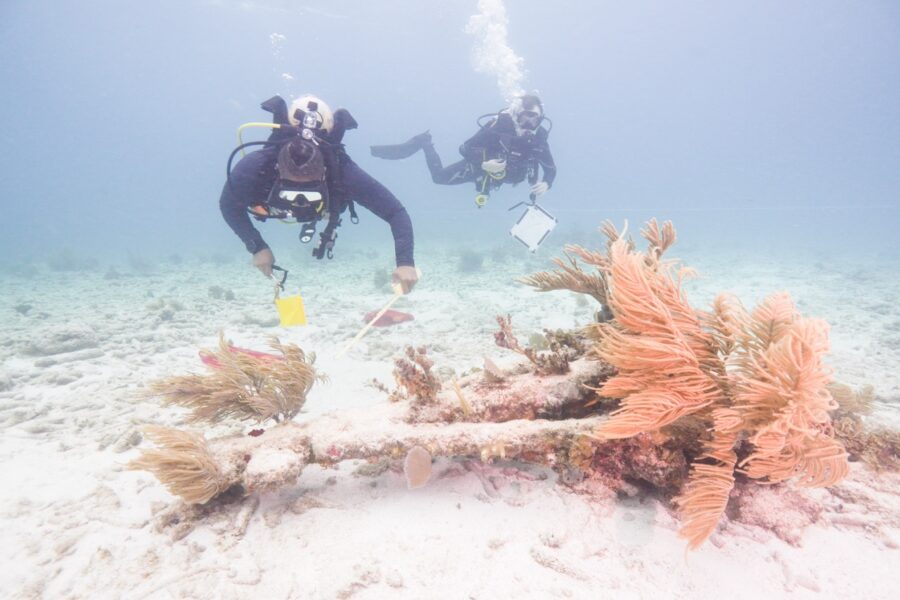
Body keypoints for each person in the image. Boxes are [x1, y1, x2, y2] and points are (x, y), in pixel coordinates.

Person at [220, 94, 418, 293]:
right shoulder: (258, 165)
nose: (299, 200)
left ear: (324, 175)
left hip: (325, 205)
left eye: (309, 192)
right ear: (278, 170)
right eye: (290, 191)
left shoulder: (342, 172)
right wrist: (257, 246)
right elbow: (228, 205)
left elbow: (395, 213)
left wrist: (405, 262)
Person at [370, 94, 556, 206]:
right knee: (439, 178)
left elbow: (551, 169)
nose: (530, 124)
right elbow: (465, 148)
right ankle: (424, 142)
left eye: (536, 119)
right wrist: (483, 164)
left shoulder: (538, 139)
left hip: (500, 177)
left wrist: (547, 183)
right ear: (516, 114)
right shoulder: (499, 126)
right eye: (527, 117)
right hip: (479, 168)